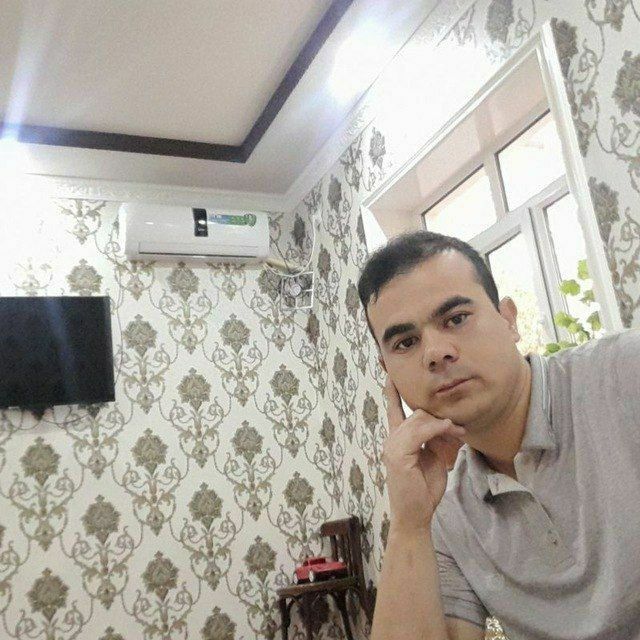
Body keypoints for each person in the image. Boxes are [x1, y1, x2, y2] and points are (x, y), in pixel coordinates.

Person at [357, 230, 640, 640]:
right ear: (389, 373)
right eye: (406, 342)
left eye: (456, 319)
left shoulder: (625, 376)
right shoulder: (441, 505)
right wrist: (409, 525)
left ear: (508, 319)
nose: (435, 352)